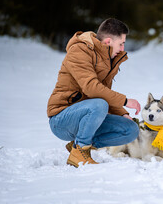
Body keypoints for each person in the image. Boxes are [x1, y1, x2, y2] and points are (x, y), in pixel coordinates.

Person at [47, 18, 141, 167]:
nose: (122, 49)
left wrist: (123, 113)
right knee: (99, 105)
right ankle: (79, 152)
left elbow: (103, 92)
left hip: (89, 114)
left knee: (130, 130)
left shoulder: (107, 59)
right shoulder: (79, 50)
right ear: (108, 41)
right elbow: (91, 88)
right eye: (121, 43)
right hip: (61, 119)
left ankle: (77, 145)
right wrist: (125, 101)